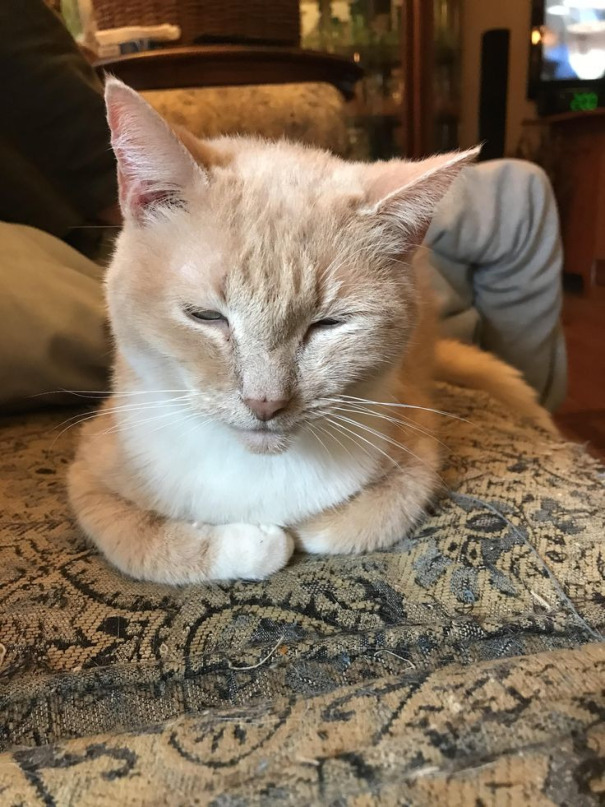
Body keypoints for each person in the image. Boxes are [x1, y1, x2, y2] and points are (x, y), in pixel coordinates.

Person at [0, 0, 566, 412]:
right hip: (99, 239)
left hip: (183, 216)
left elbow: (70, 118)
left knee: (517, 191)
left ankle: (522, 403)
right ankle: (526, 404)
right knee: (516, 199)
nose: (266, 398)